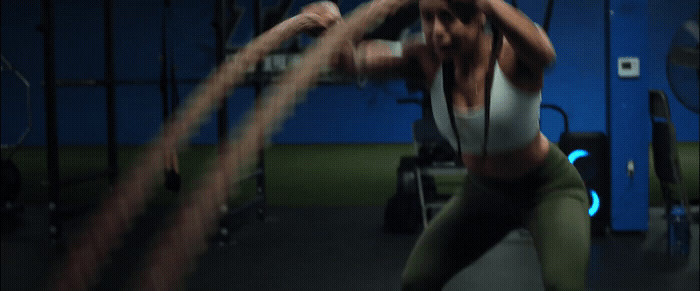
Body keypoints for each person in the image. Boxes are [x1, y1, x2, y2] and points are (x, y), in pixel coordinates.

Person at [301, 0, 590, 290]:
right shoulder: (426, 59)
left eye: (448, 18)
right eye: (428, 18)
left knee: (564, 286)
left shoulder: (511, 54)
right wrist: (331, 29)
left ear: (478, 17)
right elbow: (350, 60)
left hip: (546, 189)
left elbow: (545, 55)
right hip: (483, 192)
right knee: (417, 281)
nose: (437, 31)